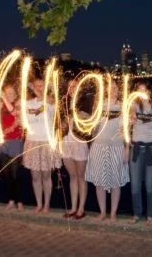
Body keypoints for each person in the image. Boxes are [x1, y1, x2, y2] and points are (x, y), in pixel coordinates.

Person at [85, 80, 129, 222]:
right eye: (110, 88)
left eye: (115, 87)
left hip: (117, 147)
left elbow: (127, 130)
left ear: (118, 90)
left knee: (115, 182)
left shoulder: (123, 106)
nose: (112, 90)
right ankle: (103, 212)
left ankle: (113, 213)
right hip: (99, 146)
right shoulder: (99, 105)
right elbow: (93, 129)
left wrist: (127, 148)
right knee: (99, 182)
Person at [129, 81, 152, 225]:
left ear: (150, 92)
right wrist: (131, 118)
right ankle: (137, 213)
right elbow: (130, 120)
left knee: (150, 184)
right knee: (135, 185)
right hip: (137, 148)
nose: (142, 93)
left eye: (144, 90)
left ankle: (150, 215)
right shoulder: (133, 105)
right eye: (139, 90)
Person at [22, 78, 61, 215]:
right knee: (35, 177)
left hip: (46, 142)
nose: (39, 88)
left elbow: (50, 102)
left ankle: (47, 204)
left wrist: (35, 89)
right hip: (32, 142)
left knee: (46, 176)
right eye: (36, 86)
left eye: (41, 86)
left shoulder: (51, 102)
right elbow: (25, 121)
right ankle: (39, 204)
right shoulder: (27, 103)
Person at [61, 80, 89, 220]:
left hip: (79, 140)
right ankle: (73, 207)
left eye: (75, 85)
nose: (72, 88)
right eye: (70, 86)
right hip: (66, 140)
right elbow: (58, 122)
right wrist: (63, 122)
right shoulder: (64, 102)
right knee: (72, 176)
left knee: (80, 176)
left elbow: (90, 122)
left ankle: (81, 208)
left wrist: (79, 116)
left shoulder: (85, 101)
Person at [0, 84, 24, 212]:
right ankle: (11, 200)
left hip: (15, 142)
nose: (9, 95)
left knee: (15, 173)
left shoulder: (19, 105)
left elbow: (16, 116)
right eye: (6, 93)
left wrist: (10, 128)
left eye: (11, 92)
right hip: (2, 142)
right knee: (6, 173)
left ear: (15, 94)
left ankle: (19, 201)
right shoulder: (0, 106)